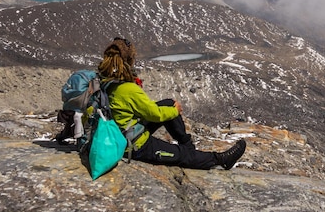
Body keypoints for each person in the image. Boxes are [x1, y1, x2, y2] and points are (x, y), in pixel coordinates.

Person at [97, 37, 246, 170]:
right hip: (134, 146)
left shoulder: (106, 82)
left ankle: (188, 147)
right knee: (181, 155)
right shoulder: (127, 89)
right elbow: (154, 114)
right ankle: (220, 160)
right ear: (129, 60)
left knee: (168, 103)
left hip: (122, 133)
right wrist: (175, 111)